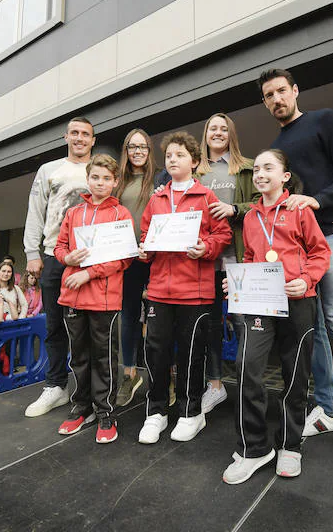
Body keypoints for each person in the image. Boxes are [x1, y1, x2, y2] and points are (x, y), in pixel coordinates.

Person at [261, 68, 333, 475]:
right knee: (319, 331)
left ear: (295, 91)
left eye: (281, 91)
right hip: (294, 249)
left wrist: (317, 200)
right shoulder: (277, 147)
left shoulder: (324, 119)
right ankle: (328, 408)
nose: (276, 99)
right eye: (268, 95)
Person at [221, 149, 330, 484]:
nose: (260, 173)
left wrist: (307, 279)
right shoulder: (250, 217)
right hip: (261, 302)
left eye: (268, 167)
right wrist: (237, 282)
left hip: (298, 301)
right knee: (246, 367)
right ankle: (254, 448)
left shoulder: (298, 209)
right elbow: (254, 256)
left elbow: (319, 251)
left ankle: (289, 445)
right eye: (256, 169)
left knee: (294, 374)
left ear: (285, 175)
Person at [136, 131, 232, 444]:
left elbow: (223, 235)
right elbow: (146, 236)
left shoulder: (207, 197)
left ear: (194, 161)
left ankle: (192, 413)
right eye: (169, 156)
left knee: (192, 354)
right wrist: (144, 250)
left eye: (179, 155)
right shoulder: (156, 199)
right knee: (156, 351)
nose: (173, 160)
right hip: (160, 290)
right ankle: (157, 411)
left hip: (197, 291)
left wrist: (206, 247)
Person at [54, 154, 133, 443]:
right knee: (80, 357)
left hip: (104, 299)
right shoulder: (73, 213)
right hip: (73, 296)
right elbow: (59, 247)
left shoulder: (121, 214)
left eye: (106, 178)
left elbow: (123, 258)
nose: (100, 183)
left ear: (115, 182)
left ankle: (105, 412)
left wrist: (89, 273)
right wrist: (67, 257)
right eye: (95, 177)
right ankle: (81, 406)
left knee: (104, 359)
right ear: (88, 179)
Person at [23, 116, 95, 418]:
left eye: (86, 134)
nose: (79, 138)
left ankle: (90, 389)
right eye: (74, 133)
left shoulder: (100, 169)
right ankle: (56, 385)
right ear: (66, 137)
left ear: (93, 140)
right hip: (54, 256)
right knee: (55, 325)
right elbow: (35, 211)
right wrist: (32, 252)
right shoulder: (49, 170)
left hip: (92, 259)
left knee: (90, 329)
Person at [194, 113, 259, 415]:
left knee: (241, 322)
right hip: (203, 259)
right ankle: (215, 386)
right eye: (212, 129)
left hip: (238, 255)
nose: (218, 133)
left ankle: (248, 384)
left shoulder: (246, 168)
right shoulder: (194, 172)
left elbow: (262, 203)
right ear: (205, 134)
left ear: (231, 134)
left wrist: (234, 208)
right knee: (209, 325)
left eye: (223, 129)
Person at [114, 129, 156, 407]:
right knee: (128, 318)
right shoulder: (118, 182)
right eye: (132, 146)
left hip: (156, 258)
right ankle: (129, 374)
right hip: (127, 259)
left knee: (158, 320)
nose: (137, 151)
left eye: (142, 146)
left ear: (149, 150)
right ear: (126, 151)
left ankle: (162, 377)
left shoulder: (161, 178)